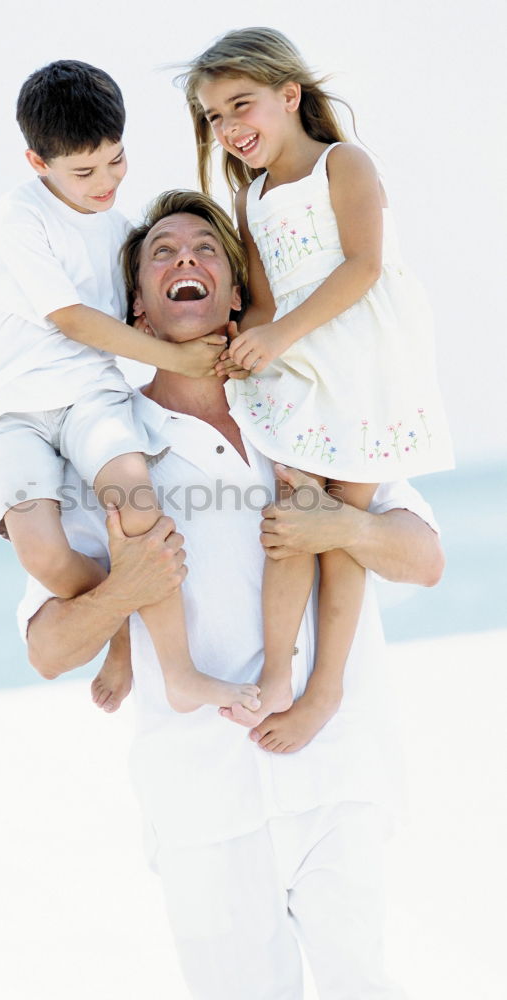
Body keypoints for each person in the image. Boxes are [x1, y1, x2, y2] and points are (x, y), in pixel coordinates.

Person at [21, 189, 444, 999]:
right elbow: (46, 647)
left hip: (338, 776)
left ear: (237, 290)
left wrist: (340, 530)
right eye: (163, 254)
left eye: (207, 249)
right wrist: (122, 595)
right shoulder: (106, 456)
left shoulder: (315, 417)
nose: (187, 260)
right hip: (200, 805)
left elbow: (424, 558)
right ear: (138, 311)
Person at [179, 27, 454, 744]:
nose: (230, 127)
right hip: (299, 366)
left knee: (338, 537)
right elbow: (265, 306)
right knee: (291, 521)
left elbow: (363, 267)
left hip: (363, 369)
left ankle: (325, 689)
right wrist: (246, 345)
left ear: (289, 95)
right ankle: (277, 671)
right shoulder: (252, 198)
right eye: (214, 117)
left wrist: (281, 334)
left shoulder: (345, 163)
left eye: (242, 105)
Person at [0, 59, 262, 716]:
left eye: (115, 162)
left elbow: (154, 293)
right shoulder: (18, 220)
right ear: (36, 162)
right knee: (45, 557)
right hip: (13, 413)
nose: (104, 183)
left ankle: (178, 671)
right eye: (84, 172)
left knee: (135, 499)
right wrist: (176, 361)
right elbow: (72, 318)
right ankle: (123, 620)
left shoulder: (121, 227)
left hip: (92, 399)